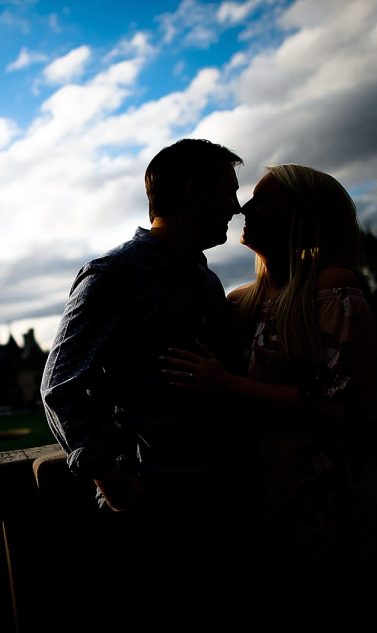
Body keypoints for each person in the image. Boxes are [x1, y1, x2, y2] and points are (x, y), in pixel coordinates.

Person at [38, 139, 250, 623]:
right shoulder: (113, 275)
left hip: (217, 496)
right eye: (228, 192)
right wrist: (110, 480)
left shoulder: (203, 277)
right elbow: (61, 386)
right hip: (155, 502)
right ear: (195, 192)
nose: (237, 208)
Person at [163, 163, 377, 584]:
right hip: (256, 496)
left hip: (325, 496)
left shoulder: (331, 291)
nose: (244, 207)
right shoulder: (238, 303)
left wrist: (226, 383)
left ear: (304, 216)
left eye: (265, 198)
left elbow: (339, 403)